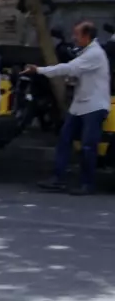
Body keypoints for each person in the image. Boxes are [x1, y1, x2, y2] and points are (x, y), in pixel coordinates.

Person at [26, 21, 112, 195]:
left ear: (86, 36)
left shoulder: (94, 53)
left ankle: (87, 184)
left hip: (94, 106)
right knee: (64, 140)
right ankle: (58, 178)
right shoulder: (85, 52)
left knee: (88, 145)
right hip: (79, 105)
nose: (74, 38)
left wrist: (40, 70)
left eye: (77, 35)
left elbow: (69, 68)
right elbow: (76, 74)